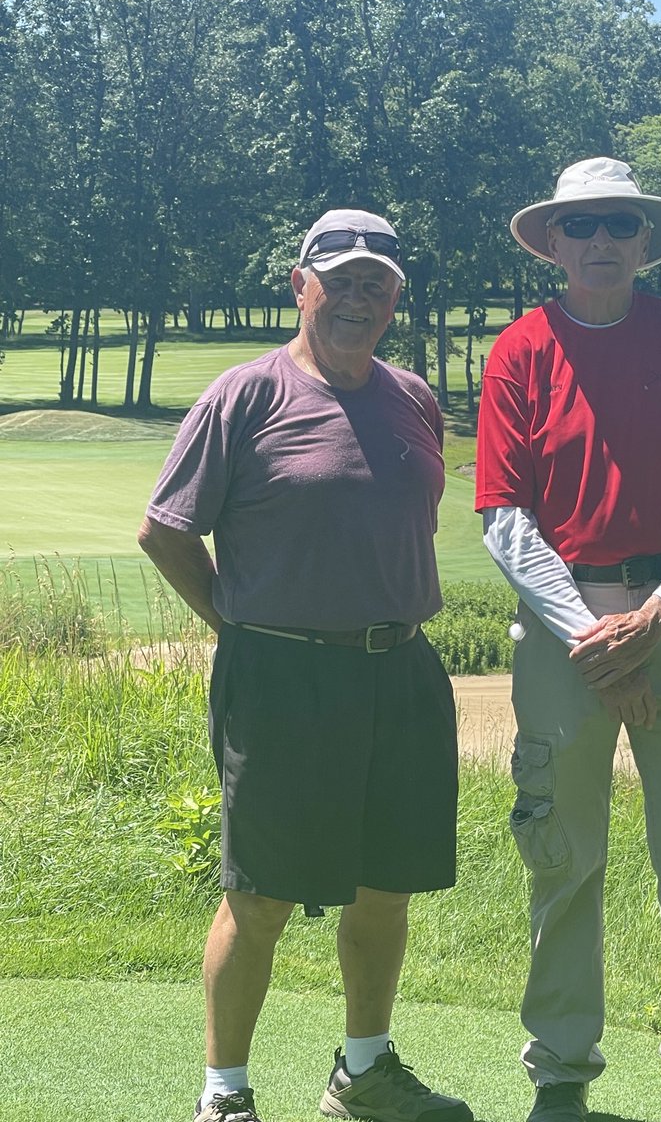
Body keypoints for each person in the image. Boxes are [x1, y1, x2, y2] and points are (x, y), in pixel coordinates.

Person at [139, 209, 473, 1122]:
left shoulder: (411, 397)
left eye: (377, 284)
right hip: (282, 681)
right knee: (263, 895)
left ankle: (362, 1073)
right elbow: (165, 530)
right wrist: (234, 624)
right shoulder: (247, 395)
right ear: (300, 284)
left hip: (401, 671)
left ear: (395, 298)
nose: (357, 298)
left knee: (385, 885)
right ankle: (225, 1094)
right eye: (340, 280)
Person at [475, 158, 661, 1122]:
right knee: (563, 849)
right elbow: (503, 515)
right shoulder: (519, 349)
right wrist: (598, 638)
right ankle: (560, 1064)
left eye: (617, 224)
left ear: (643, 240)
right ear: (552, 240)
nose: (599, 241)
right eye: (580, 224)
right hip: (566, 625)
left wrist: (658, 616)